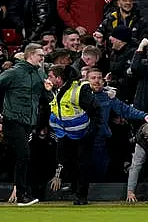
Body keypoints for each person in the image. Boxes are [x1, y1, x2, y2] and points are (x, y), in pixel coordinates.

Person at [46, 64, 102, 205]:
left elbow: (95, 109)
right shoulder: (55, 90)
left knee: (83, 163)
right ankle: (75, 189)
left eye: (51, 76)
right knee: (69, 162)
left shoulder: (79, 89)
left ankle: (81, 195)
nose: (48, 79)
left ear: (59, 78)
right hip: (65, 133)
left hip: (83, 132)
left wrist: (92, 129)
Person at [0, 43, 47, 206]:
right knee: (24, 155)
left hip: (29, 121)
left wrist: (48, 89)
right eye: (40, 55)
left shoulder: (40, 73)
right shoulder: (13, 73)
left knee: (23, 156)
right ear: (30, 55)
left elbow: (44, 96)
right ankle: (21, 194)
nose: (43, 58)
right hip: (12, 119)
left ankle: (23, 193)